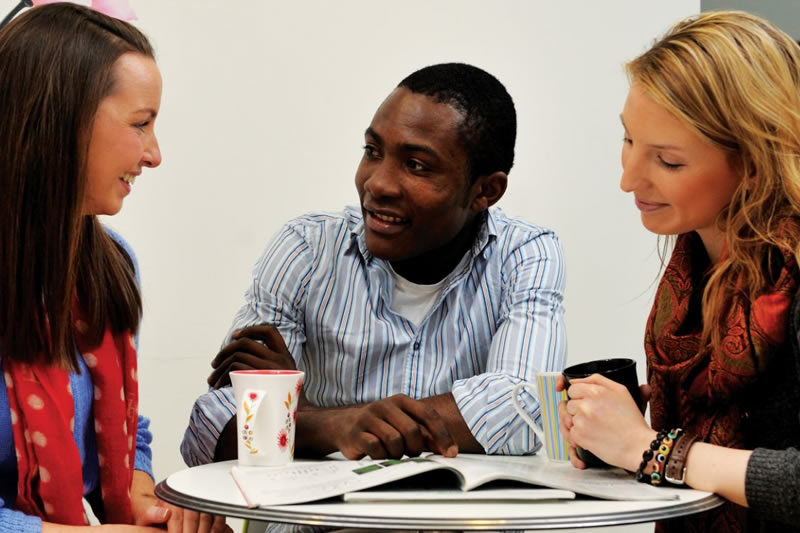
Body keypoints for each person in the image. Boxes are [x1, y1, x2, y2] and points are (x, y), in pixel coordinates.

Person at [181, 63, 567, 466]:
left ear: (485, 190)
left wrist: (307, 415)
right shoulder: (306, 250)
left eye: (416, 165)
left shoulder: (526, 254)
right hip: (320, 525)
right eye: (373, 152)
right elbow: (213, 426)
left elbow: (522, 412)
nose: (377, 184)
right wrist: (338, 426)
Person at [557, 10, 800, 533]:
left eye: (668, 161)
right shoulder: (693, 267)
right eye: (627, 140)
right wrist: (612, 431)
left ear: (755, 164)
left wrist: (650, 447)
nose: (627, 180)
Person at [0, 4, 230, 532]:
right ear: (63, 121)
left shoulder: (111, 265)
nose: (154, 154)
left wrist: (148, 503)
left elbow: (127, 434)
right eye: (141, 124)